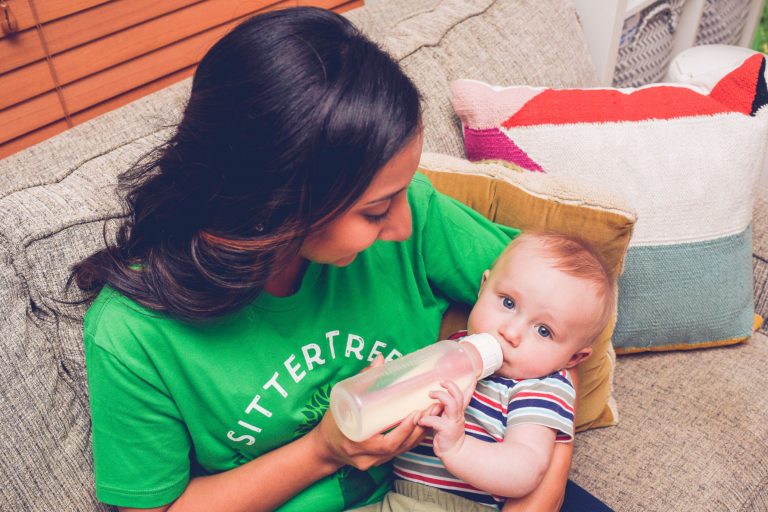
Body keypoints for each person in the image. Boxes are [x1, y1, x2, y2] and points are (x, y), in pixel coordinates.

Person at [71, 7, 575, 512]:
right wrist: (323, 450)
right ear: (279, 203)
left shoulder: (414, 213)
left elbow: (565, 315)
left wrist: (538, 487)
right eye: (375, 211)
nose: (401, 226)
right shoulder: (133, 334)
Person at [386, 232, 616, 511]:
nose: (510, 332)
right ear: (483, 288)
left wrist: (458, 447)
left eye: (543, 331)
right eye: (508, 303)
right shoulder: (456, 345)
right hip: (397, 497)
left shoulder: (541, 387)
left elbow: (525, 469)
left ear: (572, 358)